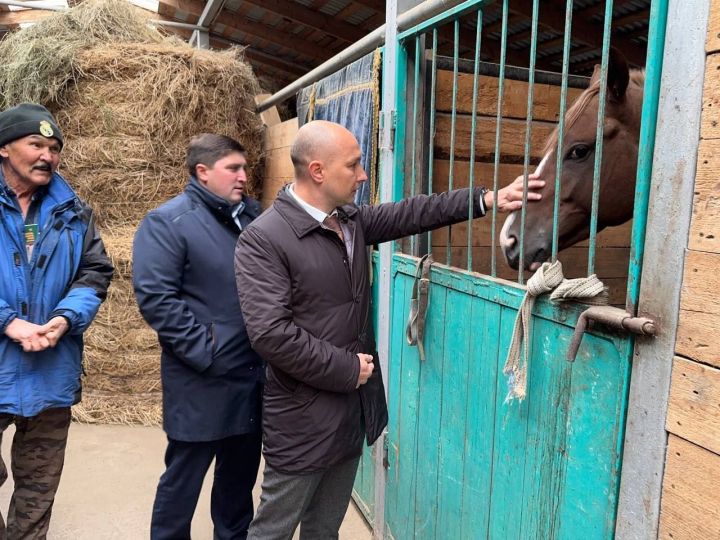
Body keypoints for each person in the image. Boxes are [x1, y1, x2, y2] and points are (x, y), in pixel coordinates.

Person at [234, 120, 545, 538]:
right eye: (354, 165)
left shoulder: (348, 220)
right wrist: (347, 369)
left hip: (351, 412)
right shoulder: (264, 239)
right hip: (302, 420)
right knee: (273, 530)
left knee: (325, 529)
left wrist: (487, 199)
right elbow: (270, 333)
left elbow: (413, 213)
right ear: (318, 171)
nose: (363, 175)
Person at [133, 134, 264, 540]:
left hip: (250, 375)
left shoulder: (252, 217)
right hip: (201, 378)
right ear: (202, 172)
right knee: (184, 480)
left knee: (238, 483)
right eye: (233, 169)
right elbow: (157, 298)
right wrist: (207, 351)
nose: (243, 176)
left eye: (244, 168)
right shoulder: (168, 221)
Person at [0, 103, 113, 539]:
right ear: (5, 148)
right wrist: (8, 322)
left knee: (38, 488)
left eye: (54, 148)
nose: (47, 155)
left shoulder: (74, 212)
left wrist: (66, 318)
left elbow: (95, 272)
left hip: (51, 371)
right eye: (36, 144)